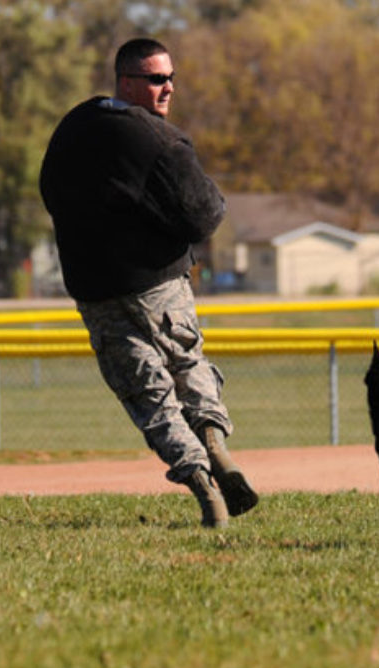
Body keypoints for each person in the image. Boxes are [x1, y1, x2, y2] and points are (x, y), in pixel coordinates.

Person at [38, 38, 257, 528]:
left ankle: (205, 487)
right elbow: (205, 216)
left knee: (147, 394)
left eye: (171, 78)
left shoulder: (73, 127)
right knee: (186, 362)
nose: (169, 88)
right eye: (158, 79)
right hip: (160, 285)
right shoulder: (162, 141)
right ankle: (215, 445)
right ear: (128, 82)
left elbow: (50, 191)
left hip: (96, 289)